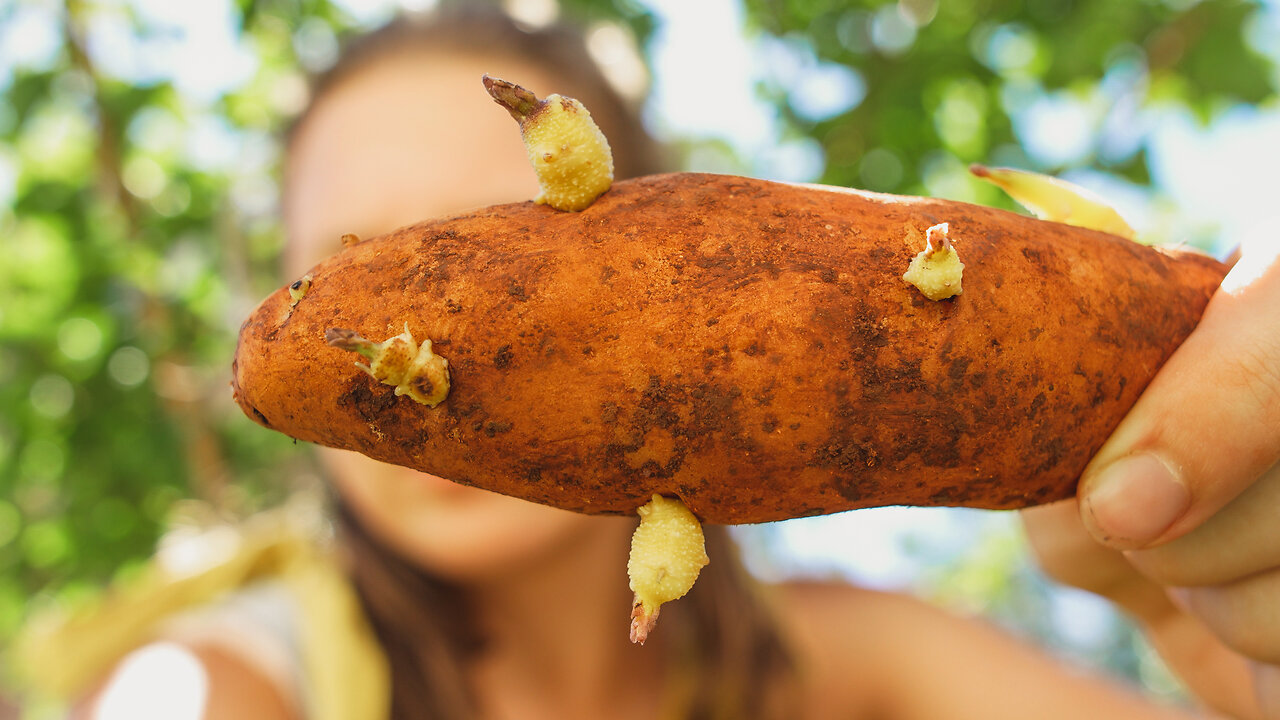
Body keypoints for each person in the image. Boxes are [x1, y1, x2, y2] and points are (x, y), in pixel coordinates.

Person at [17, 6, 1277, 719]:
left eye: (483, 237)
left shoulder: (852, 663)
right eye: (344, 265)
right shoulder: (230, 678)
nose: (429, 345)